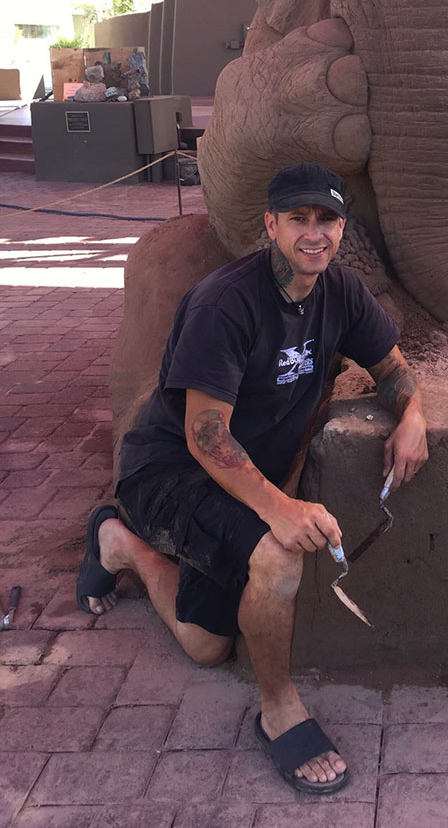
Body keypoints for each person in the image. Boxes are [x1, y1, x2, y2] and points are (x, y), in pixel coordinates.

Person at [76, 162, 428, 792]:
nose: (314, 233)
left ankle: (117, 544)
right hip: (169, 472)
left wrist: (413, 417)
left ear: (342, 227)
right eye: (298, 218)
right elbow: (204, 435)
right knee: (278, 555)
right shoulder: (225, 302)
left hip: (237, 479)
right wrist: (280, 508)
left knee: (206, 647)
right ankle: (280, 711)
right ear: (270, 225)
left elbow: (393, 369)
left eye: (327, 219)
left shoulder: (341, 292)